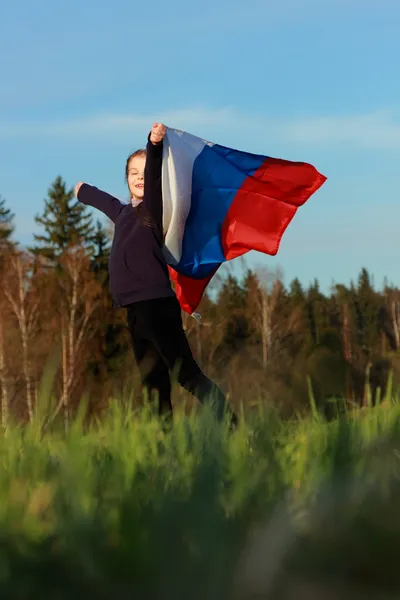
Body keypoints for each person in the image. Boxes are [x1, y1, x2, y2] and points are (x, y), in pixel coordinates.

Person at [75, 123, 237, 426]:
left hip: (155, 304)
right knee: (154, 385)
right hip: (134, 309)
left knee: (186, 374)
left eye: (144, 172)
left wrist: (154, 145)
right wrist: (82, 191)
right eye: (132, 173)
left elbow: (152, 179)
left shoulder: (152, 211)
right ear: (126, 179)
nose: (139, 177)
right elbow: (104, 201)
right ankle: (164, 451)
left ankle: (233, 426)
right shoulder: (124, 213)